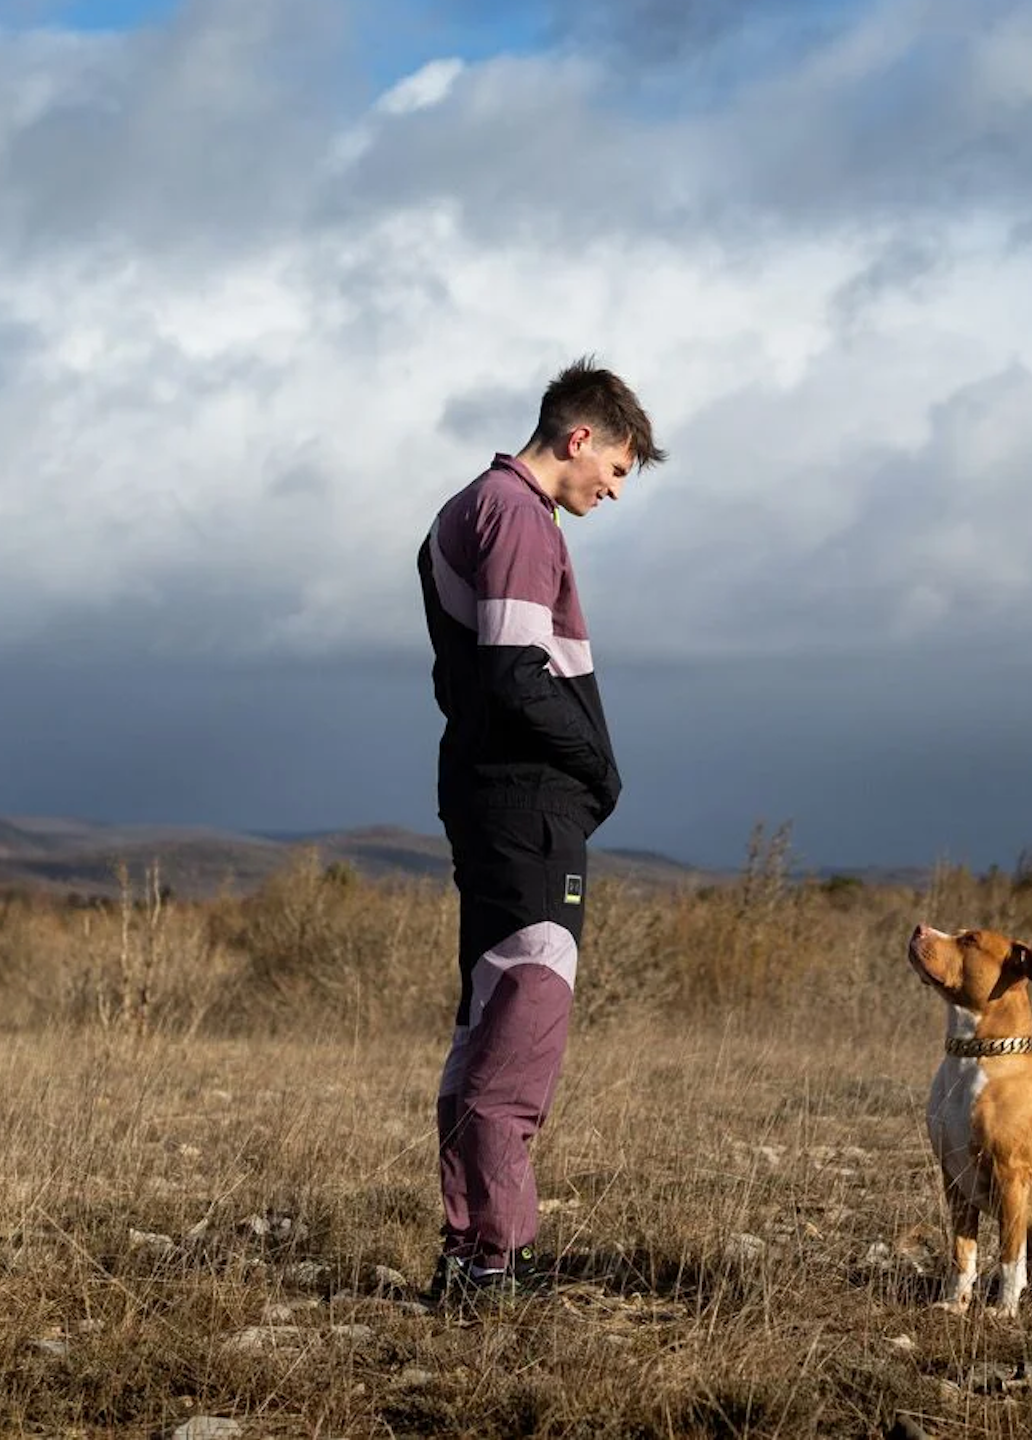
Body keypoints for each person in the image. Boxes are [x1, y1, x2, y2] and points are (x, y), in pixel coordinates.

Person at [415, 359, 665, 1306]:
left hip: (494, 799)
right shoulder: (516, 515)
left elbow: (467, 684)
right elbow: (518, 673)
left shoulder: (467, 511)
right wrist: (600, 769)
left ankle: (468, 1249)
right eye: (617, 469)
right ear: (579, 438)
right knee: (524, 1017)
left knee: (488, 1018)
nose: (612, 490)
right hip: (525, 808)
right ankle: (494, 1262)